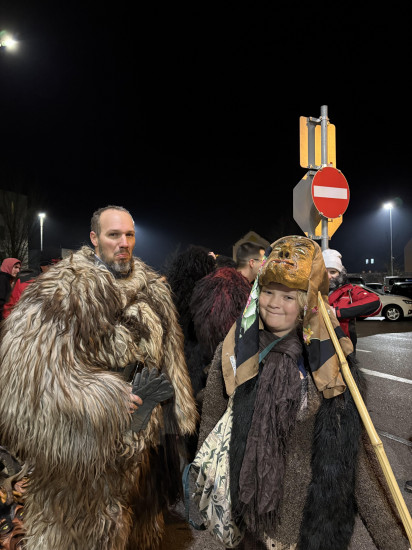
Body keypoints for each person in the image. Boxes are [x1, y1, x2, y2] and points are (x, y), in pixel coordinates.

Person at [0, 205, 198, 550]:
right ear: (94, 238)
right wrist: (105, 398)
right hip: (84, 447)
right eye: (113, 235)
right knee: (83, 530)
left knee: (136, 523)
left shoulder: (152, 287)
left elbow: (170, 355)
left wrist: (175, 409)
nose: (124, 243)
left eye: (129, 235)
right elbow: (28, 373)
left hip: (142, 440)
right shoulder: (63, 289)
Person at [196, 235, 409, 550]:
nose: (274, 304)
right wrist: (202, 488)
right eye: (268, 291)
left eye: (288, 296)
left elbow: (359, 459)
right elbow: (212, 424)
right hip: (249, 521)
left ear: (308, 301)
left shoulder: (330, 360)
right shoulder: (236, 349)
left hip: (310, 526)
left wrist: (392, 538)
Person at [322, 248, 382, 351]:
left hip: (344, 348)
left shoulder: (350, 291)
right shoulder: (313, 291)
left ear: (340, 273)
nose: (328, 276)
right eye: (324, 272)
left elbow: (375, 302)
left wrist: (338, 312)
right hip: (318, 347)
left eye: (333, 272)